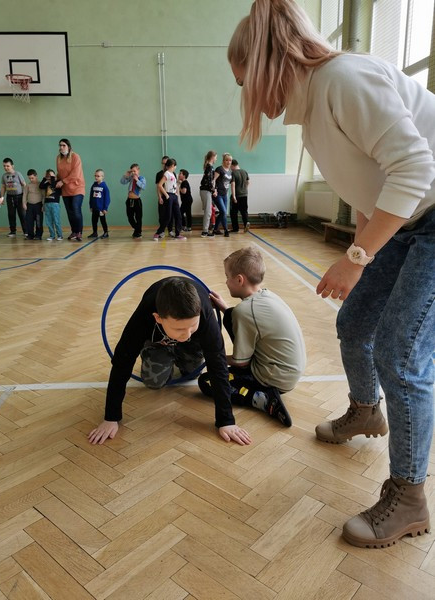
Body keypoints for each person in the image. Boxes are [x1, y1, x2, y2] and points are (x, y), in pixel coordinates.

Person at [228, 0, 434, 549]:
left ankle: (409, 498)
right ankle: (367, 412)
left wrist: (356, 258)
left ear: (266, 64)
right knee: (355, 323)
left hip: (430, 214)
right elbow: (368, 190)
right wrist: (362, 262)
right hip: (410, 220)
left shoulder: (343, 79)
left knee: (400, 353)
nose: (246, 94)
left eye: (243, 80)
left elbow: (416, 166)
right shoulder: (313, 112)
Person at [88, 276, 252, 446]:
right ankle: (158, 350)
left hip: (193, 342)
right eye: (180, 328)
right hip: (157, 341)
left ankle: (180, 345)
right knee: (154, 382)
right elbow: (122, 362)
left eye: (192, 326)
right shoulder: (143, 317)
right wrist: (111, 417)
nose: (186, 334)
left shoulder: (204, 315)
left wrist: (226, 420)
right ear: (158, 318)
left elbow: (218, 366)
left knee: (191, 373)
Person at [199, 246, 306, 426]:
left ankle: (263, 399)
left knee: (207, 381)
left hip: (273, 378)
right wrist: (225, 309)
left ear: (239, 279)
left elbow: (240, 362)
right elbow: (244, 318)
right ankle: (263, 390)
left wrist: (213, 357)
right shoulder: (268, 296)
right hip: (287, 373)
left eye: (227, 277)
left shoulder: (244, 311)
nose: (226, 282)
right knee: (230, 315)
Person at [56, 138, 85, 242]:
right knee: (70, 212)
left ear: (68, 146)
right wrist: (54, 179)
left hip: (77, 187)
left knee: (76, 209)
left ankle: (79, 232)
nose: (61, 147)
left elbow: (75, 174)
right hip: (66, 189)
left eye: (63, 145)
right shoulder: (58, 158)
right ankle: (74, 231)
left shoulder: (75, 157)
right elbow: (60, 173)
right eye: (60, 145)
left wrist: (63, 181)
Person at [154, 159, 186, 241]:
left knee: (178, 215)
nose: (176, 167)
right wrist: (166, 195)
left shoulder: (173, 174)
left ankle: (178, 234)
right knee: (168, 216)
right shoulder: (167, 173)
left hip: (174, 196)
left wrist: (177, 193)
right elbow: (160, 185)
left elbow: (174, 185)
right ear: (172, 165)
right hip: (169, 196)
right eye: (175, 166)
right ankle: (158, 233)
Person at [0, 158, 26, 237]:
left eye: (8, 166)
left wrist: (25, 197)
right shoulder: (4, 176)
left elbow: (24, 185)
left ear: (12, 166)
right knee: (11, 215)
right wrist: (1, 197)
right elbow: (3, 187)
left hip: (19, 197)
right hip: (9, 197)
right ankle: (13, 232)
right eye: (4, 166)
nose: (6, 167)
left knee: (22, 214)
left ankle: (26, 231)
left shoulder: (18, 174)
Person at [120, 163, 146, 238]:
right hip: (130, 200)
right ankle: (137, 229)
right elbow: (122, 182)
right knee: (130, 217)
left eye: (134, 171)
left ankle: (138, 232)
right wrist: (126, 175)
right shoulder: (130, 177)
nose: (133, 173)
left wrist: (137, 180)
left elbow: (143, 187)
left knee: (138, 217)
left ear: (138, 170)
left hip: (137, 200)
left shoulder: (142, 178)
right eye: (132, 171)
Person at [39, 169, 63, 241]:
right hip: (47, 204)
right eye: (48, 176)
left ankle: (60, 235)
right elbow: (40, 186)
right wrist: (44, 178)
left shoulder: (57, 183)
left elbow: (53, 186)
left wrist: (52, 177)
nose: (50, 177)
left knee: (56, 220)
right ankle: (52, 235)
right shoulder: (46, 184)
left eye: (51, 175)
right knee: (48, 221)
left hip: (55, 204)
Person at [213, 153, 233, 237]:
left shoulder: (230, 171)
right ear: (223, 161)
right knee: (223, 212)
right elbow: (213, 180)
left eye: (230, 160)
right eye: (227, 160)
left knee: (223, 212)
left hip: (225, 194)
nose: (228, 162)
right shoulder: (219, 169)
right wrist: (214, 190)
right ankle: (226, 230)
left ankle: (215, 229)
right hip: (218, 194)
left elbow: (231, 183)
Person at [199, 151, 218, 237]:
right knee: (208, 211)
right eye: (216, 157)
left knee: (209, 211)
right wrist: (214, 191)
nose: (216, 159)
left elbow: (211, 181)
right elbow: (209, 182)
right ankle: (205, 231)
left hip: (206, 191)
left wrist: (214, 190)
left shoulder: (210, 167)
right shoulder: (209, 167)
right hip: (206, 191)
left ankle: (205, 230)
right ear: (213, 157)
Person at [155, 156, 174, 237]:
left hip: (170, 197)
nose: (164, 165)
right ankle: (161, 231)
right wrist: (159, 197)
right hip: (163, 197)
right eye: (163, 163)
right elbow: (158, 187)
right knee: (162, 214)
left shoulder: (172, 173)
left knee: (170, 214)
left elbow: (175, 185)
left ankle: (170, 230)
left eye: (165, 163)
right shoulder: (159, 174)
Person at [88, 169, 110, 238]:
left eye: (98, 176)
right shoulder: (94, 185)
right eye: (95, 176)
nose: (96, 177)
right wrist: (91, 206)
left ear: (102, 177)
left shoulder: (104, 186)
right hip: (94, 207)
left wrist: (105, 208)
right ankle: (95, 232)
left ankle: (106, 232)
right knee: (94, 221)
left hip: (101, 209)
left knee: (103, 221)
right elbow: (91, 196)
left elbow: (107, 198)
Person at [230, 159, 250, 233]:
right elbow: (248, 182)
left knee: (233, 212)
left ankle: (235, 228)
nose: (230, 168)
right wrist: (244, 189)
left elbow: (233, 184)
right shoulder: (244, 171)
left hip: (237, 194)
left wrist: (233, 196)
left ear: (233, 165)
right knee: (244, 211)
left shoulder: (233, 173)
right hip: (244, 194)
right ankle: (246, 223)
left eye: (230, 166)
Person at [23, 169, 44, 240]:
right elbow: (25, 195)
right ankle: (30, 235)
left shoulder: (41, 185)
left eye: (32, 178)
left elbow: (44, 195)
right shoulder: (28, 185)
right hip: (29, 205)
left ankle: (38, 235)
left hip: (38, 205)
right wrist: (24, 203)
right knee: (29, 220)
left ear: (36, 176)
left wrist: (43, 205)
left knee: (38, 220)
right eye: (29, 178)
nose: (31, 179)